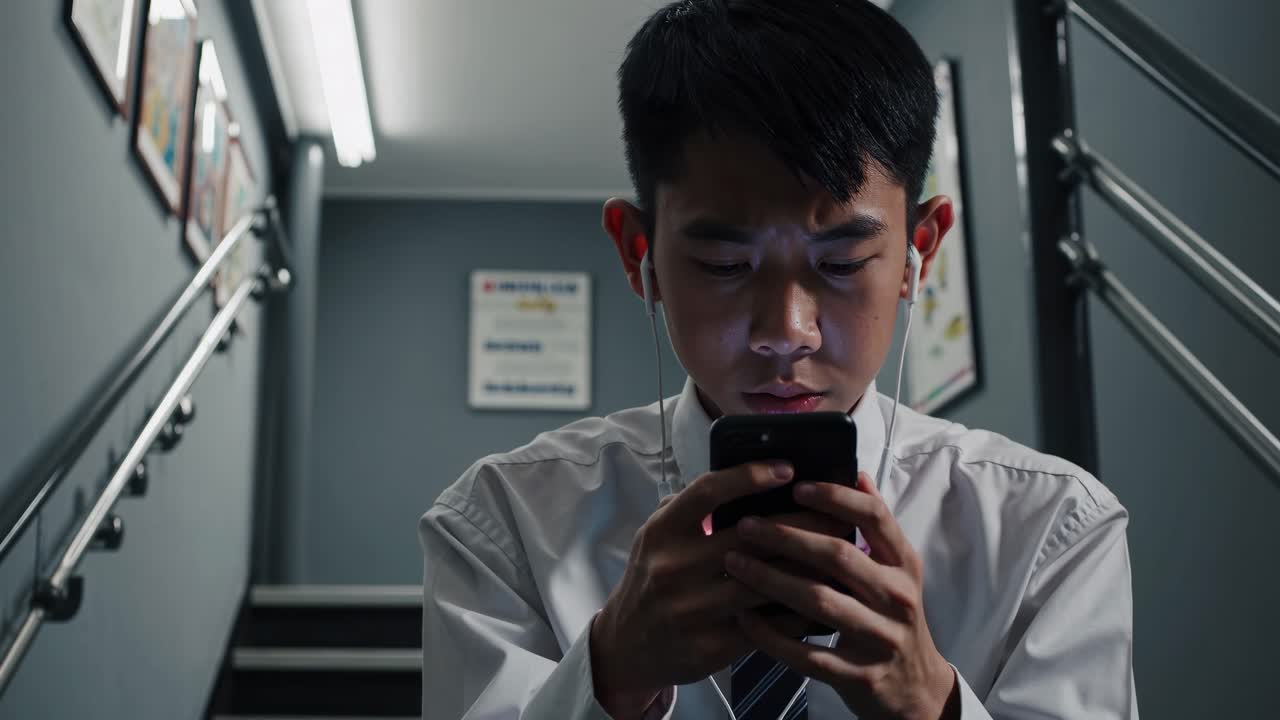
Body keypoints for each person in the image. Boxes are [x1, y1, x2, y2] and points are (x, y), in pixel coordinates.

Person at [419, 1, 1137, 718]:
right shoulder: (502, 526)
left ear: (921, 251)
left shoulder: (1051, 532)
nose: (787, 332)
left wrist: (935, 707)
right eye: (726, 264)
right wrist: (608, 678)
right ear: (640, 254)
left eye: (844, 262)